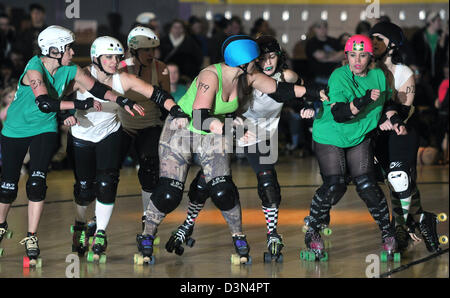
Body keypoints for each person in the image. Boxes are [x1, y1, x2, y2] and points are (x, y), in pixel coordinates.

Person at [138, 35, 320, 264]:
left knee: (223, 189)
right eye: (256, 58)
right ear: (244, 62)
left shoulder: (248, 76)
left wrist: (319, 93)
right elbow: (201, 117)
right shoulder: (209, 76)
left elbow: (281, 90)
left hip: (214, 134)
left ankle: (238, 236)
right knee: (170, 193)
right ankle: (147, 234)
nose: (261, 62)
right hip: (183, 131)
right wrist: (234, 131)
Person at [0, 25, 141, 266]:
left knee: (37, 182)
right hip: (16, 129)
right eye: (68, 48)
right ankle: (1, 226)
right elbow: (44, 103)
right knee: (8, 186)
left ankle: (31, 237)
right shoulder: (34, 69)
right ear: (54, 50)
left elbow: (97, 88)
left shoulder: (71, 70)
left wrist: (122, 99)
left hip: (44, 129)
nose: (73, 52)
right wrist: (79, 105)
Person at [67, 35, 187, 260]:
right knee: (84, 189)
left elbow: (158, 94)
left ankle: (101, 232)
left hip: (110, 133)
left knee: (107, 181)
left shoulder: (124, 79)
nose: (114, 61)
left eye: (117, 57)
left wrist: (176, 110)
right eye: (109, 57)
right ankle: (80, 225)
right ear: (96, 58)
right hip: (81, 135)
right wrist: (66, 114)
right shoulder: (81, 75)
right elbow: (58, 96)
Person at [302, 35, 401, 262]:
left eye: (363, 55)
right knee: (336, 185)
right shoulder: (339, 75)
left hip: (358, 136)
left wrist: (394, 119)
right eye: (353, 55)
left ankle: (388, 233)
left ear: (370, 57)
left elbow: (387, 103)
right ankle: (313, 230)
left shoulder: (378, 76)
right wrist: (364, 100)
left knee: (367, 184)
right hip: (331, 135)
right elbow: (340, 114)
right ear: (346, 56)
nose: (357, 60)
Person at [370, 22, 446, 253]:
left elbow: (404, 111)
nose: (373, 43)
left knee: (399, 178)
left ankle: (399, 229)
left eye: (379, 38)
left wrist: (389, 117)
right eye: (371, 37)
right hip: (376, 135)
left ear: (392, 44)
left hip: (401, 133)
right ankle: (422, 219)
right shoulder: (367, 70)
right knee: (397, 185)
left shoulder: (404, 72)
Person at [118, 26, 171, 231]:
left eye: (153, 50)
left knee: (149, 169)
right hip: (123, 125)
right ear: (134, 51)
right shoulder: (121, 67)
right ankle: (96, 220)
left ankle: (147, 218)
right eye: (146, 50)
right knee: (109, 172)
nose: (151, 54)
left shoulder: (161, 68)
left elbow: (166, 100)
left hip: (150, 124)